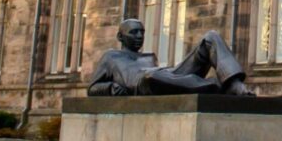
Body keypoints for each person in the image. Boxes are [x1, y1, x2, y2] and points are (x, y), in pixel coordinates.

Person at [86, 20, 253, 97]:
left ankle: (232, 83)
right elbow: (92, 88)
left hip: (167, 76)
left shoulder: (148, 56)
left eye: (142, 32)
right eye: (134, 32)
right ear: (120, 37)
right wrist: (111, 88)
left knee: (211, 37)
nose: (139, 36)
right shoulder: (111, 56)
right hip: (143, 82)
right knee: (151, 76)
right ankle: (216, 86)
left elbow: (167, 76)